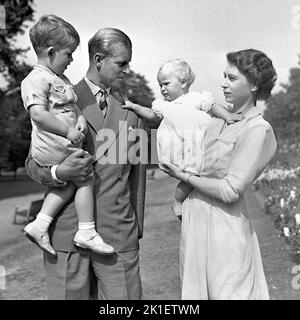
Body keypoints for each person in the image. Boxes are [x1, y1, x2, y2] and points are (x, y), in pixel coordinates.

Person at [25, 27, 146, 300]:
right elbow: (33, 162)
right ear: (99, 59)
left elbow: (137, 179)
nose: (127, 69)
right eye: (122, 62)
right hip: (67, 235)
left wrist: (134, 230)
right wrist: (58, 172)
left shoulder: (132, 113)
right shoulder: (56, 96)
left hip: (118, 237)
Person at [161, 49, 277, 299]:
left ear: (255, 84)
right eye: (224, 76)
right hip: (195, 222)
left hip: (226, 229)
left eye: (232, 78)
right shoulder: (215, 121)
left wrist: (183, 176)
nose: (223, 83)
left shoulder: (258, 129)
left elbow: (230, 190)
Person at [21, 15, 114, 257]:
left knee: (71, 184)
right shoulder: (35, 79)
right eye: (69, 54)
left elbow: (71, 108)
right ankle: (87, 231)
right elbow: (39, 115)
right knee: (85, 177)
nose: (72, 60)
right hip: (51, 148)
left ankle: (40, 224)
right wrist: (69, 131)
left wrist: (80, 119)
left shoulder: (60, 79)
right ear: (51, 52)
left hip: (62, 148)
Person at [123, 59, 243, 217]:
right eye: (160, 85)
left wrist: (228, 116)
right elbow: (151, 114)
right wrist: (134, 106)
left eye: (166, 83)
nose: (162, 89)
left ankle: (187, 202)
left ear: (183, 83)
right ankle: (177, 201)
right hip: (176, 148)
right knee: (189, 176)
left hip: (197, 145)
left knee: (198, 175)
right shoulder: (164, 105)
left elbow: (213, 107)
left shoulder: (196, 98)